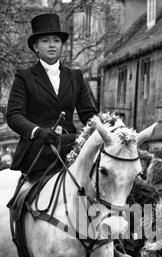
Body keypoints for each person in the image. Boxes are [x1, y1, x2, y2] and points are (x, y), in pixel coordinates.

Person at [6, 13, 97, 178]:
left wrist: (107, 129)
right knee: (28, 198)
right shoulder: (24, 76)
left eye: (56, 40)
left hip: (72, 148)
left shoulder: (75, 76)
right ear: (36, 46)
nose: (52, 45)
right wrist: (38, 131)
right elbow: (13, 115)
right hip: (38, 149)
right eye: (45, 41)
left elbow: (88, 114)